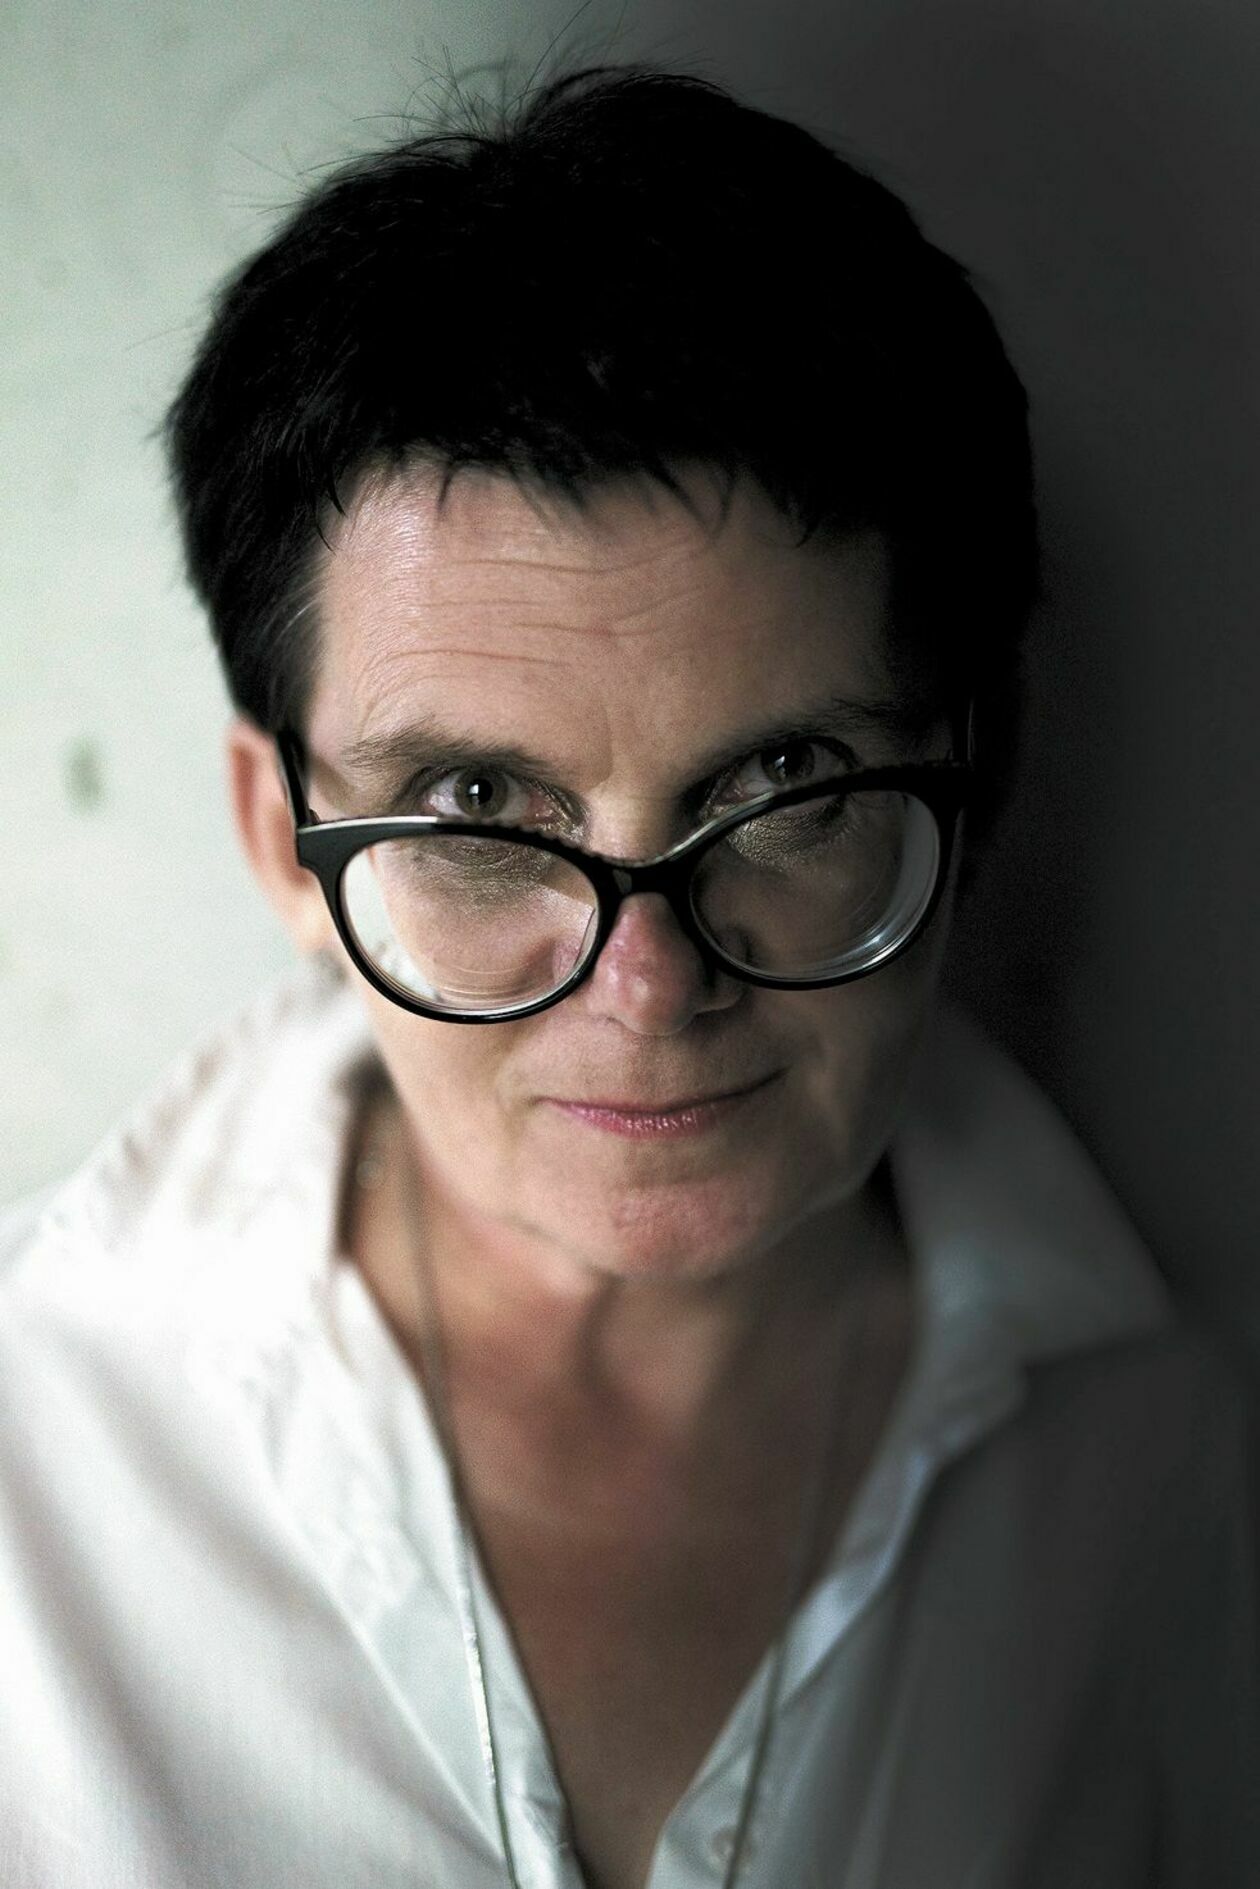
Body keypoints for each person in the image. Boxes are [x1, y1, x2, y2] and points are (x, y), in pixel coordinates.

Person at [1, 62, 1255, 1889]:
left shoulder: (1185, 1512)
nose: (651, 988)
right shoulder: (30, 1454)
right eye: (477, 807)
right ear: (283, 841)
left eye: (788, 789)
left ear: (976, 787)